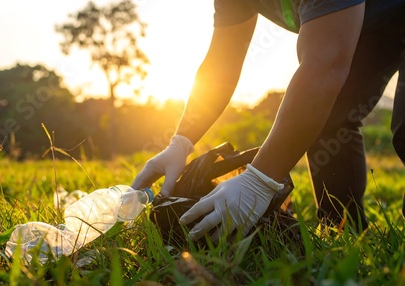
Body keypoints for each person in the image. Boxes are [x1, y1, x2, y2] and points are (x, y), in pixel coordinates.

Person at [132, 0, 405, 241]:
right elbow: (222, 64)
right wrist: (181, 141)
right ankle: (345, 233)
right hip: (370, 26)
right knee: (328, 119)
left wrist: (259, 180)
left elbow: (325, 68)